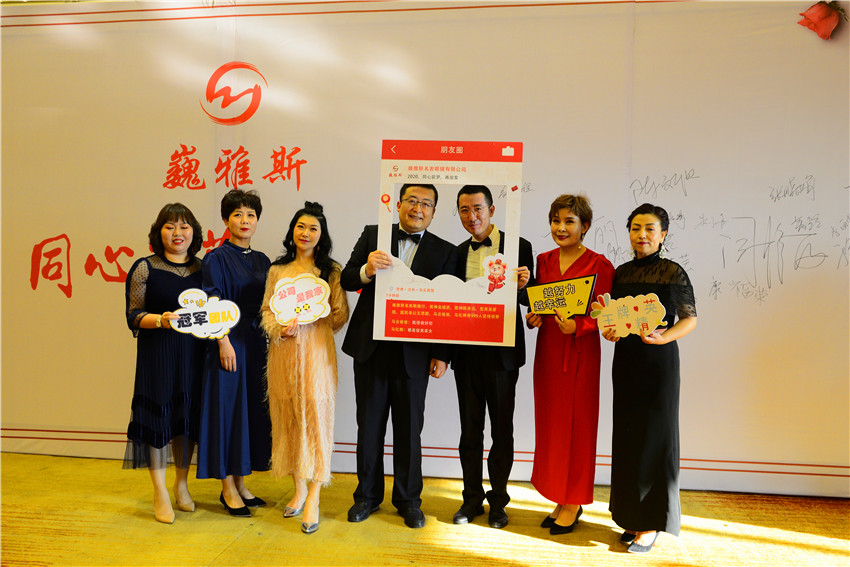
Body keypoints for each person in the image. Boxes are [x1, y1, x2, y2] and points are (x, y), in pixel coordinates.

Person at [341, 183, 458, 529]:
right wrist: (366, 270)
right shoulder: (373, 235)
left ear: (434, 212)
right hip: (371, 349)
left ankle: (408, 501)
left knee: (409, 431)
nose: (417, 208)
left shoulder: (445, 250)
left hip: (415, 354)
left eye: (426, 204)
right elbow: (346, 278)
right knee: (369, 427)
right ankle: (366, 496)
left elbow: (448, 305)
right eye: (411, 200)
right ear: (398, 204)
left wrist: (442, 353)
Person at [602, 203, 697, 553]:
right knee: (628, 439)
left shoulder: (673, 271)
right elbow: (613, 319)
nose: (641, 235)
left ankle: (652, 523)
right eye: (635, 228)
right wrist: (610, 331)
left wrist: (664, 337)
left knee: (655, 440)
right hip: (626, 361)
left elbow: (690, 319)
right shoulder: (621, 273)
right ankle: (630, 516)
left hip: (659, 364)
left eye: (650, 229)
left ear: (663, 234)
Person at [525, 194, 615, 535]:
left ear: (585, 226)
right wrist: (534, 316)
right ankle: (558, 496)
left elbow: (605, 313)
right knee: (552, 426)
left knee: (578, 427)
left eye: (569, 222)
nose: (561, 228)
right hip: (548, 351)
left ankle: (574, 500)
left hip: (580, 354)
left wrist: (578, 326)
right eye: (556, 221)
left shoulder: (599, 264)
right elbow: (541, 303)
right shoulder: (544, 260)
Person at [260, 202, 350, 535]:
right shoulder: (278, 270)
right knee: (288, 419)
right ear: (292, 231)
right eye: (301, 227)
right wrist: (280, 328)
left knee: (316, 421)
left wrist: (318, 315)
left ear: (321, 235)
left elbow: (340, 314)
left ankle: (314, 495)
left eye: (313, 228)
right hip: (283, 355)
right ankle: (298, 488)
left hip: (317, 356)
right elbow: (267, 312)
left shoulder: (331, 271)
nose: (306, 233)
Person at [450, 185, 533, 529]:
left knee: (502, 430)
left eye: (478, 209)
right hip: (466, 353)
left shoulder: (519, 246)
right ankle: (471, 499)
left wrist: (524, 286)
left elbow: (530, 300)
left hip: (502, 354)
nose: (472, 217)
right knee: (470, 431)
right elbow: (449, 305)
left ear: (492, 210)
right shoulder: (456, 253)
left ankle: (498, 501)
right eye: (464, 210)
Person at [123, 203, 205, 524]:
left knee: (186, 421)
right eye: (170, 227)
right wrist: (161, 320)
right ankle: (160, 492)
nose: (177, 233)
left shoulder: (203, 269)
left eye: (184, 227)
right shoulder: (145, 268)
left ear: (194, 232)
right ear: (159, 232)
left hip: (193, 354)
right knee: (157, 422)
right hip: (158, 355)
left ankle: (181, 484)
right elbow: (133, 315)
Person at [196, 189, 272, 517]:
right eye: (237, 214)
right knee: (227, 414)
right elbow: (210, 301)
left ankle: (241, 483)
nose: (245, 220)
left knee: (249, 413)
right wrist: (223, 341)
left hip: (256, 345)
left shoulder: (263, 260)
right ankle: (227, 487)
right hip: (227, 344)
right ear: (226, 220)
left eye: (250, 215)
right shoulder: (215, 258)